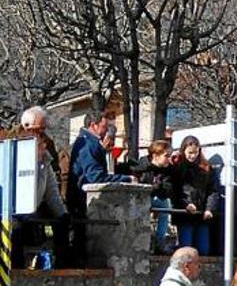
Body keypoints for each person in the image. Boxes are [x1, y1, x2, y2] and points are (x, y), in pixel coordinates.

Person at [67, 112, 137, 265]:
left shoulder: (86, 143)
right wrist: (126, 179)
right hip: (82, 202)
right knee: (80, 243)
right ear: (93, 125)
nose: (106, 130)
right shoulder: (87, 145)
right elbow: (95, 177)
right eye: (104, 127)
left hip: (81, 201)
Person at [9, 134, 71, 268]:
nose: (43, 147)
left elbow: (52, 192)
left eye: (43, 144)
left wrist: (62, 214)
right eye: (39, 145)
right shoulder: (13, 158)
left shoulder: (45, 163)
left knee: (59, 229)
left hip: (31, 215)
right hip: (13, 217)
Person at [172, 136, 219, 256]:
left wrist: (209, 209)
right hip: (184, 214)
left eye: (195, 152)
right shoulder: (178, 168)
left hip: (201, 215)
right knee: (186, 250)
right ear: (184, 151)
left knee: (203, 250)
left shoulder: (206, 169)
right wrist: (186, 204)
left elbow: (212, 190)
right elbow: (176, 191)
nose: (192, 156)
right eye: (190, 153)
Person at [131, 140, 175, 254]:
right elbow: (139, 182)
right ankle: (143, 240)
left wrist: (160, 187)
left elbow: (168, 186)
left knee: (165, 208)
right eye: (166, 156)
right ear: (155, 156)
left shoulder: (169, 169)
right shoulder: (143, 165)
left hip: (159, 196)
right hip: (144, 197)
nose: (168, 159)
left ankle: (160, 241)